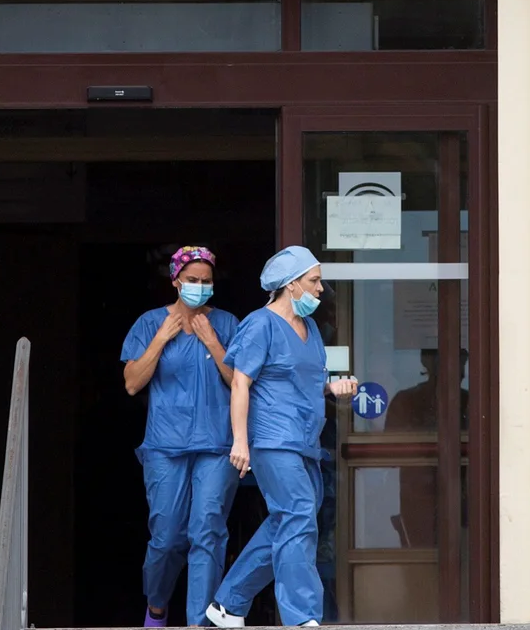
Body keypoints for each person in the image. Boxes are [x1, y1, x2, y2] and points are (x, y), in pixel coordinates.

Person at [205, 246, 358, 629]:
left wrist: (332, 388)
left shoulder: (310, 331)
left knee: (285, 522)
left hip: (305, 442)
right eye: (314, 281)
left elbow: (300, 381)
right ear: (291, 285)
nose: (321, 289)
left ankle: (228, 604)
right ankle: (301, 616)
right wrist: (240, 441)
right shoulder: (260, 325)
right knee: (298, 518)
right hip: (274, 441)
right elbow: (241, 382)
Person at [121, 246, 242, 628]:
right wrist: (160, 339)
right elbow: (132, 384)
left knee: (207, 530)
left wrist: (212, 343)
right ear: (175, 281)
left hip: (217, 445)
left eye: (206, 282)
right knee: (167, 537)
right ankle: (157, 606)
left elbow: (240, 382)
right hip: (165, 446)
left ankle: (198, 623)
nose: (200, 287)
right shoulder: (148, 323)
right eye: (192, 281)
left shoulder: (226, 324)